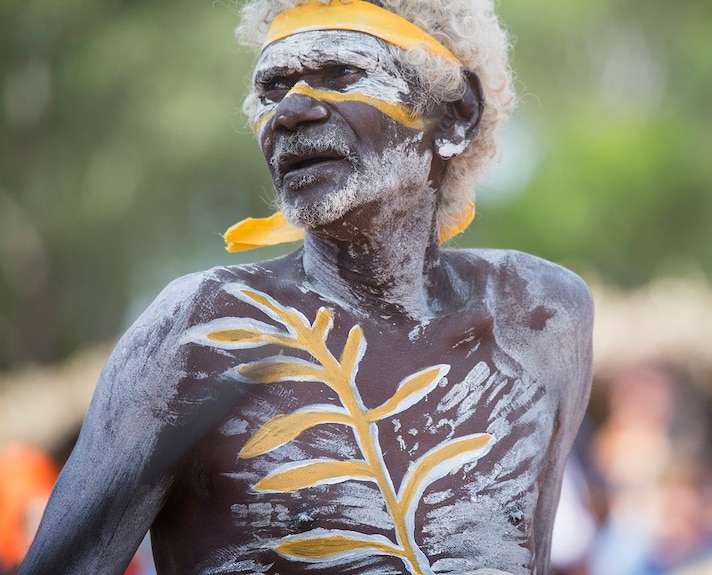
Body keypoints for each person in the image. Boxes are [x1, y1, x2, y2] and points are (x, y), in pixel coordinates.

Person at [19, 1, 593, 573]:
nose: (290, 111)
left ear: (454, 113)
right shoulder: (203, 333)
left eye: (340, 75)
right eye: (271, 88)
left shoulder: (538, 317)